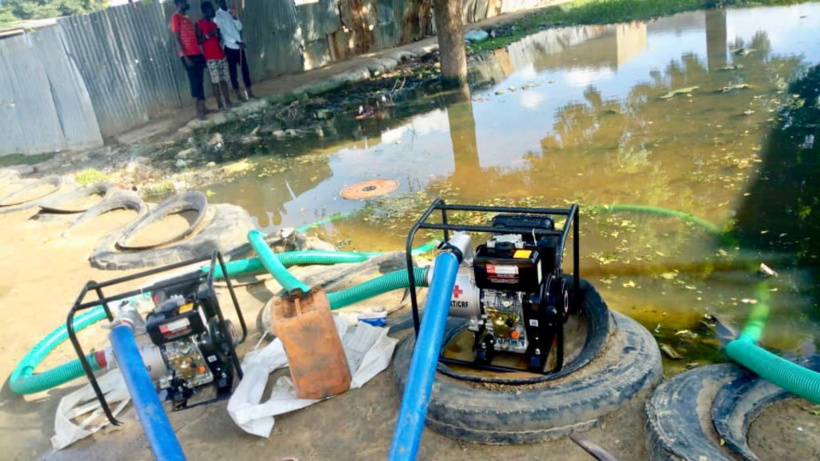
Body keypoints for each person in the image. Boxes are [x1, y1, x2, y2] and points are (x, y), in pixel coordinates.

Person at [170, 0, 210, 119]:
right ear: (178, 4)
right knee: (194, 82)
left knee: (200, 81)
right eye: (184, 2)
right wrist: (185, 56)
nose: (187, 4)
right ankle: (198, 112)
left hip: (196, 53)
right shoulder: (175, 18)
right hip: (188, 55)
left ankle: (204, 108)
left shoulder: (187, 18)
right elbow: (177, 39)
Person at [213, 0, 256, 101]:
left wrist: (234, 17)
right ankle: (238, 95)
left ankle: (250, 92)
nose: (222, 2)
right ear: (217, 2)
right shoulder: (217, 17)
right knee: (233, 73)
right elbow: (223, 34)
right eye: (219, 1)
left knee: (245, 70)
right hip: (230, 47)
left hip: (239, 47)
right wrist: (236, 42)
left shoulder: (230, 12)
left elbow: (239, 27)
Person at [198, 1, 235, 111]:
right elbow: (199, 40)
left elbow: (216, 39)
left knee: (224, 80)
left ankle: (227, 101)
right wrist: (210, 34)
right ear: (205, 11)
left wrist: (217, 35)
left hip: (220, 54)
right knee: (215, 82)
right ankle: (219, 104)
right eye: (211, 9)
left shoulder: (214, 24)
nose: (213, 11)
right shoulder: (199, 24)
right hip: (210, 57)